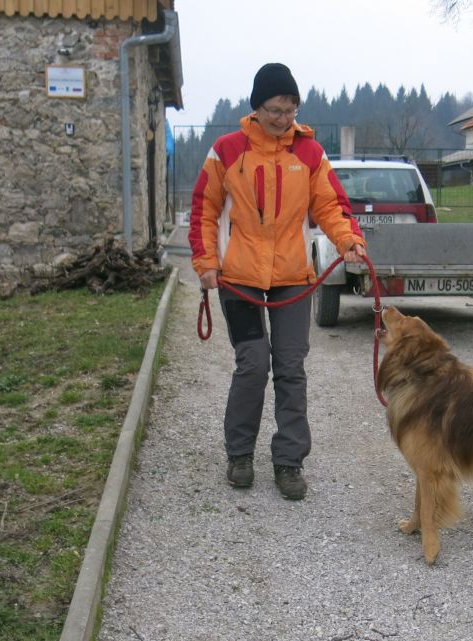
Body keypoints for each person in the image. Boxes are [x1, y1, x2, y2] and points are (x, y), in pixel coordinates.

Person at [188, 63, 366, 500]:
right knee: (253, 364)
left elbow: (330, 206)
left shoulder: (310, 154)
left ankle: (289, 462)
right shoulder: (226, 150)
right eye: (274, 109)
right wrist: (206, 261)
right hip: (240, 278)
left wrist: (348, 240)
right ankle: (239, 455)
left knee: (290, 368)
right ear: (257, 107)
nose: (283, 118)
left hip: (290, 277)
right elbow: (204, 210)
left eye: (290, 109)